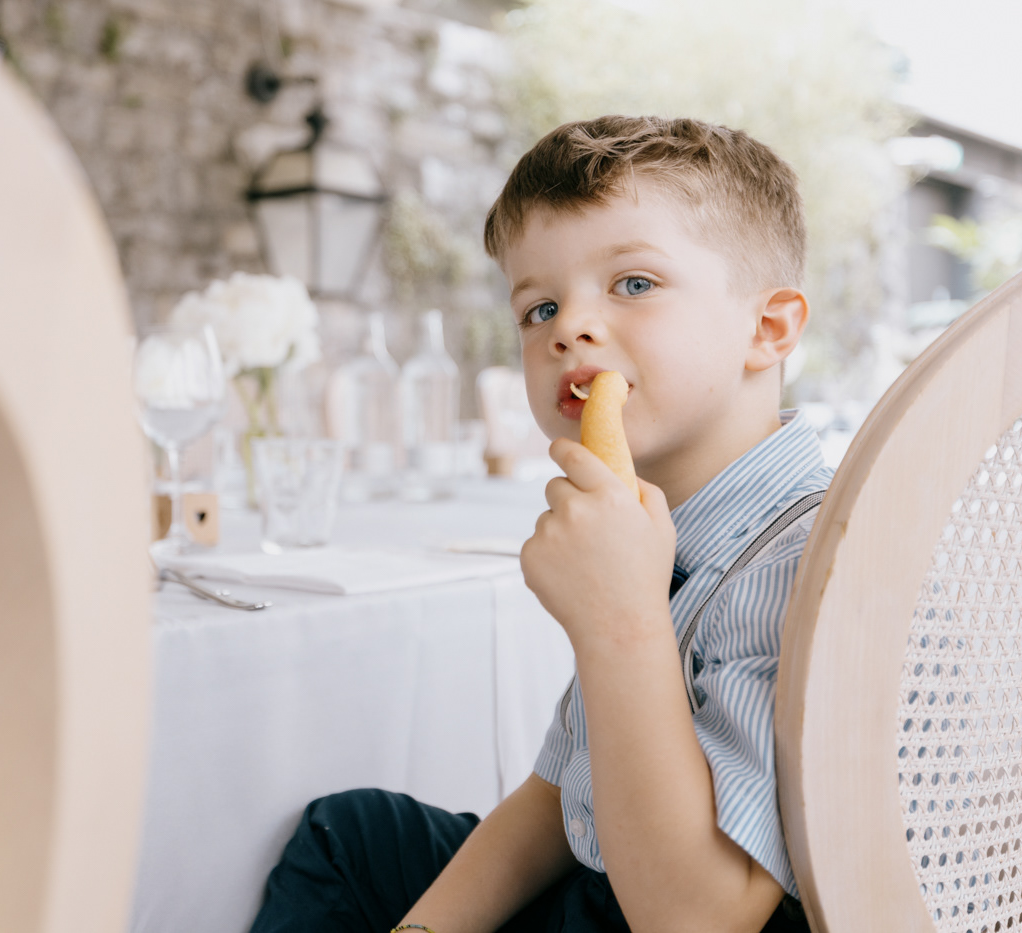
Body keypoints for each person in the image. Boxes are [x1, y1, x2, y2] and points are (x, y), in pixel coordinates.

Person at [250, 114, 834, 933]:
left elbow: (700, 918)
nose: (568, 328)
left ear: (767, 330)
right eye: (540, 307)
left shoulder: (803, 562)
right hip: (607, 883)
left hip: (681, 908)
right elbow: (561, 793)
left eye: (634, 284)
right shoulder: (645, 526)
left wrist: (619, 620)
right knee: (350, 835)